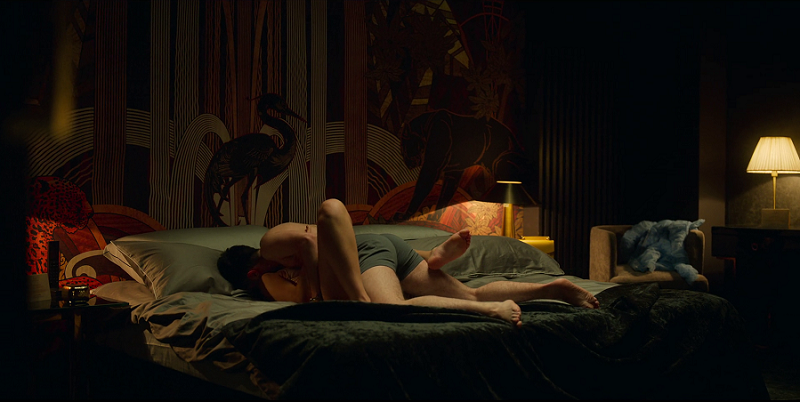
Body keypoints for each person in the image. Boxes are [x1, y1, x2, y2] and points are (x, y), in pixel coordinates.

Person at [217, 198, 599, 327]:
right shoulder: (285, 261)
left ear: (251, 272)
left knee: (394, 309)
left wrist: (316, 293)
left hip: (367, 254)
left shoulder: (268, 247)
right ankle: (553, 288)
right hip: (385, 247)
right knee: (473, 292)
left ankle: (490, 311)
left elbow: (311, 241)